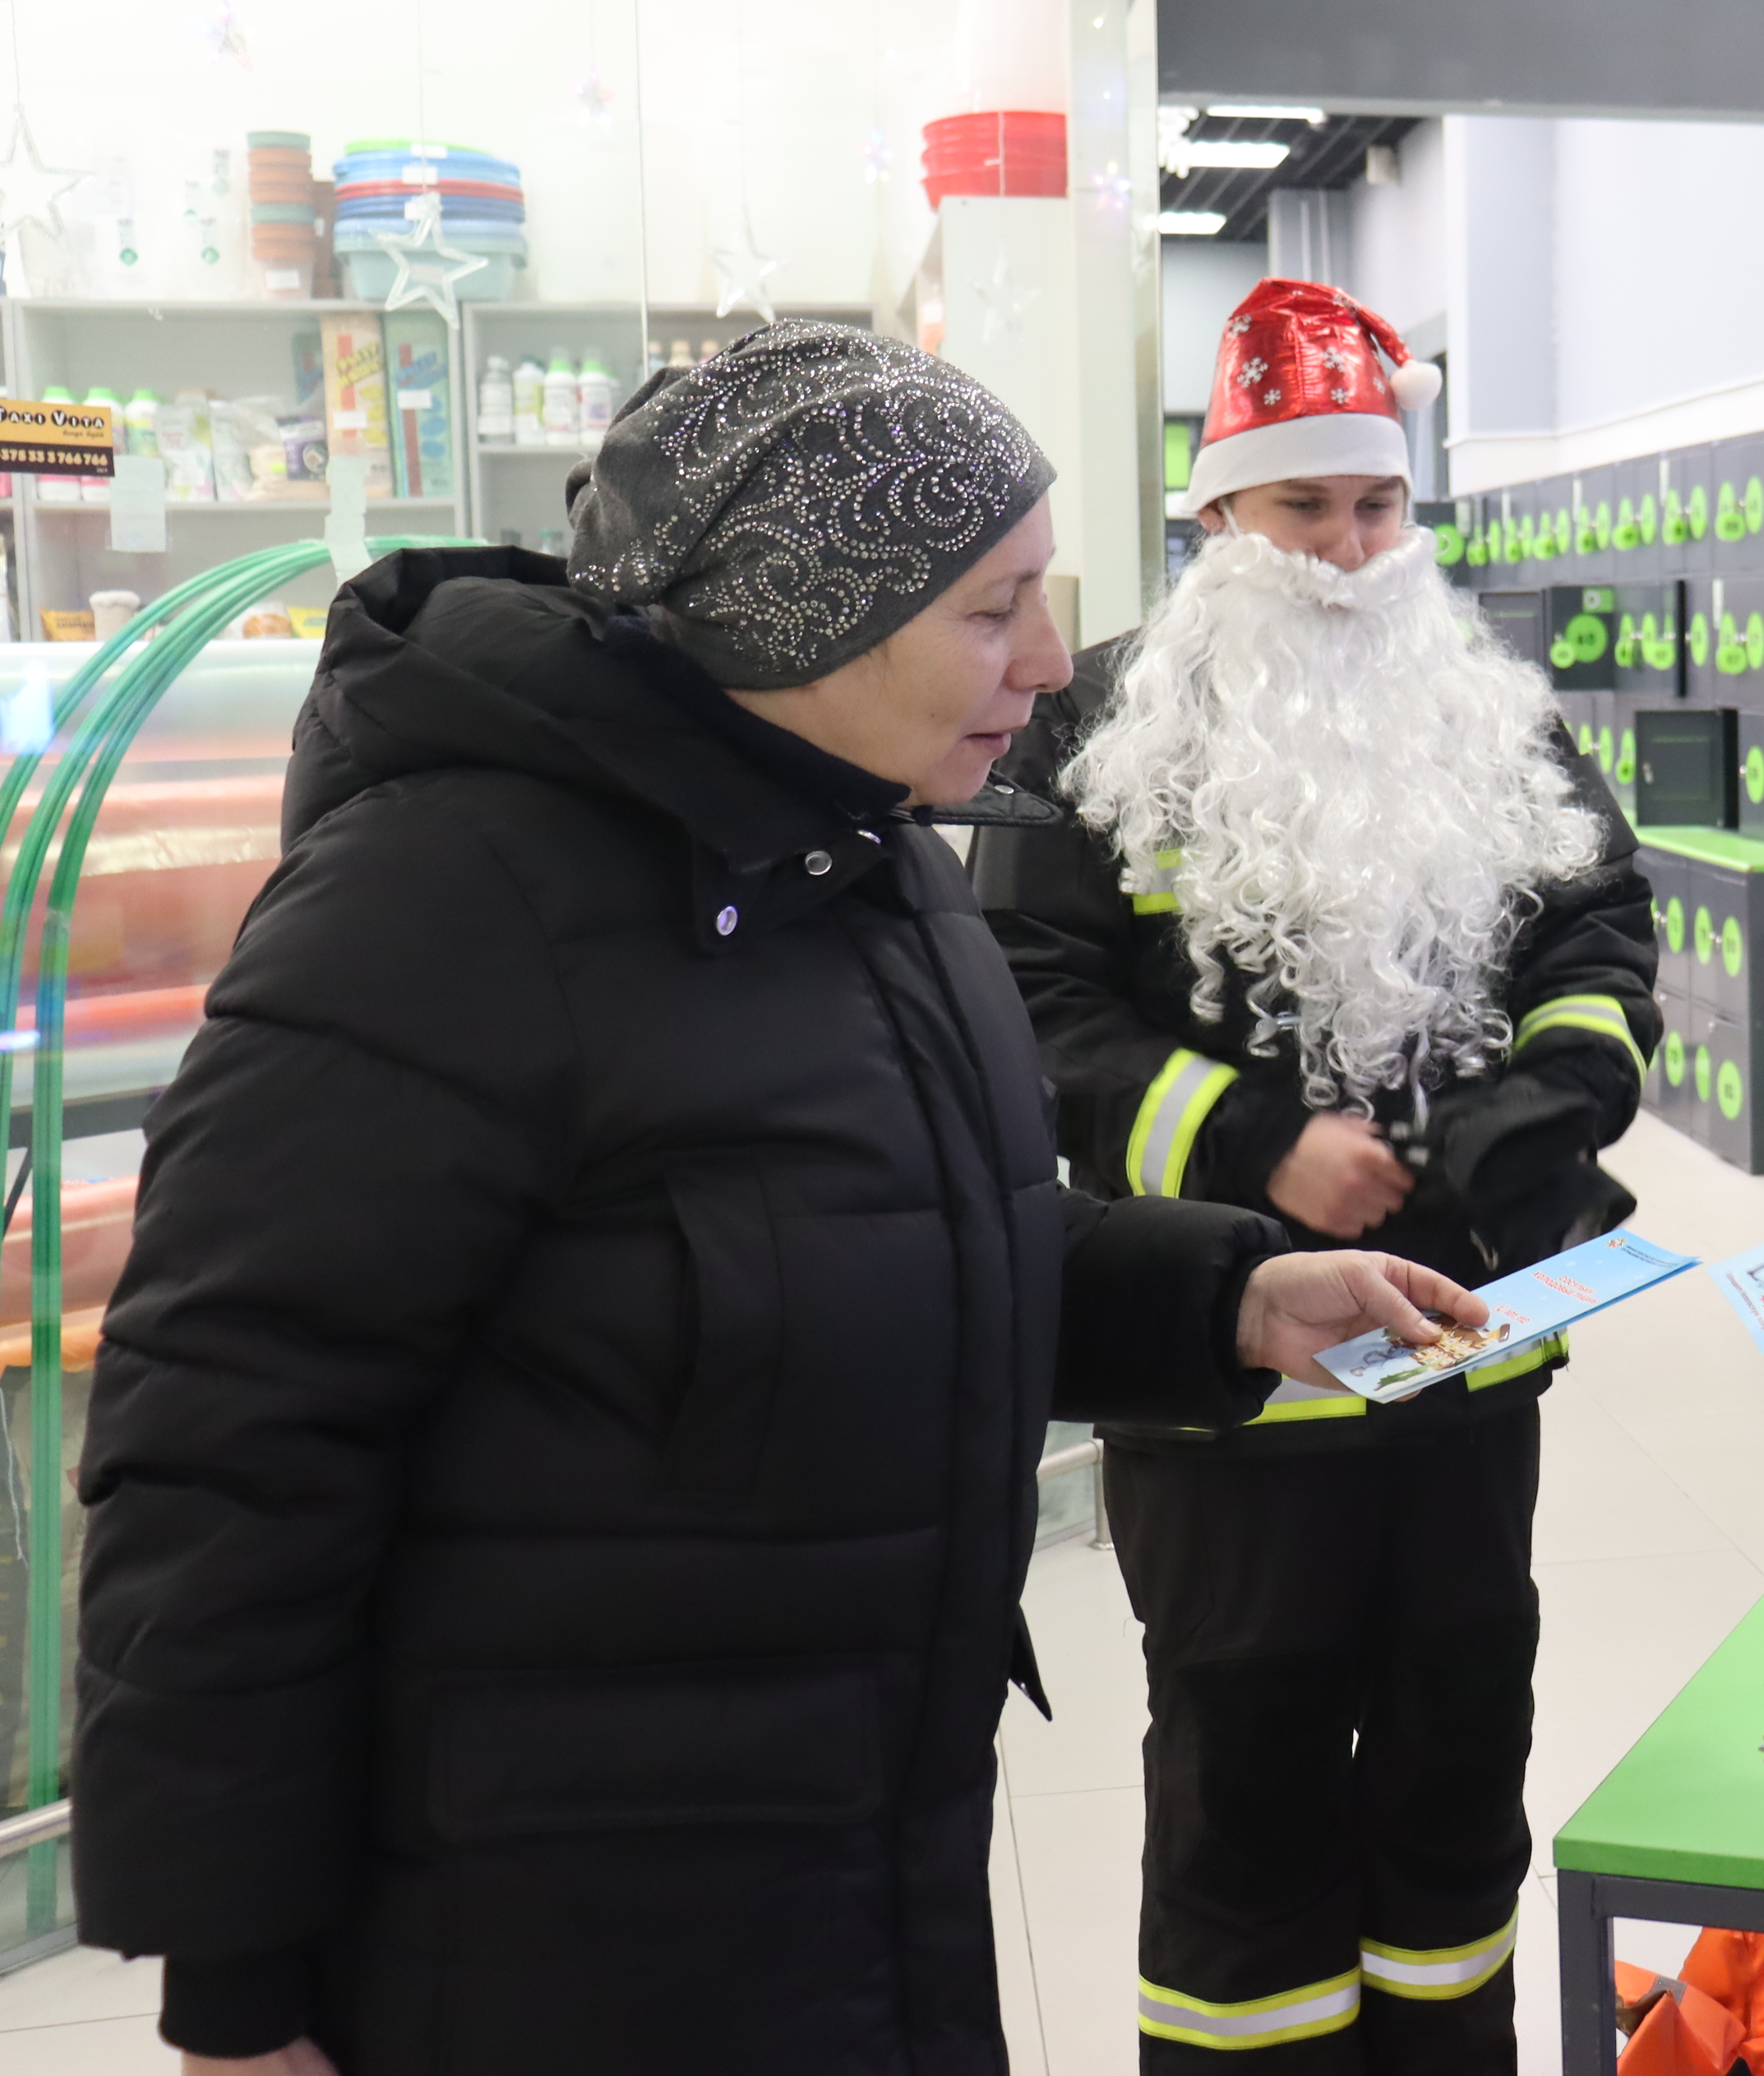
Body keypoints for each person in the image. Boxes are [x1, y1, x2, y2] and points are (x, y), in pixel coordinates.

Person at [70, 321, 1480, 2076]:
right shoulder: (443, 905)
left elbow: (905, 1238)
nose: (1047, 660)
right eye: (988, 607)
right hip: (547, 1927)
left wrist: (1224, 1296)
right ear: (789, 610)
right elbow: (229, 1445)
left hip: (849, 1854)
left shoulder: (871, 857)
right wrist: (237, 1989)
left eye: (1047, 593)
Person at [970, 277, 1660, 2074]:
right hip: (1222, 1370)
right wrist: (1255, 1137)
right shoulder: (1102, 721)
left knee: (1458, 1740)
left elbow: (1596, 915)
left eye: (1376, 505)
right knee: (1243, 1768)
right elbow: (1030, 1000)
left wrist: (1561, 1089)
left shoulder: (1485, 704)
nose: (1348, 549)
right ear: (1221, 511)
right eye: (1305, 507)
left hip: (1465, 1354)